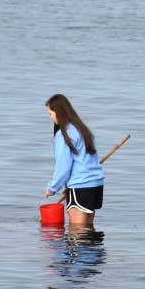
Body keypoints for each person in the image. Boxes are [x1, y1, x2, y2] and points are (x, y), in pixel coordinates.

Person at [43, 94, 105, 227]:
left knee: (77, 234)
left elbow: (63, 167)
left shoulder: (64, 135)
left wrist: (52, 187)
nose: (50, 117)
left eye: (50, 113)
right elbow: (85, 161)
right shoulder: (82, 130)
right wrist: (68, 185)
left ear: (58, 112)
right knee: (88, 235)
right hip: (95, 186)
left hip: (81, 186)